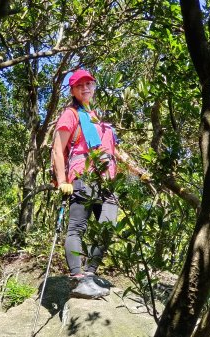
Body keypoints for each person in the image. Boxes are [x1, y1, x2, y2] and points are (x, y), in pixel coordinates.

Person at [52, 69, 147, 298]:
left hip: (107, 181)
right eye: (80, 85)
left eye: (89, 84)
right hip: (83, 176)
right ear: (73, 90)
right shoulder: (71, 114)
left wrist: (139, 171)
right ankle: (78, 279)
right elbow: (57, 148)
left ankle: (90, 274)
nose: (86, 88)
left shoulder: (97, 119)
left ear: (94, 87)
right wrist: (63, 181)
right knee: (77, 228)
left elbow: (115, 151)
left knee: (107, 228)